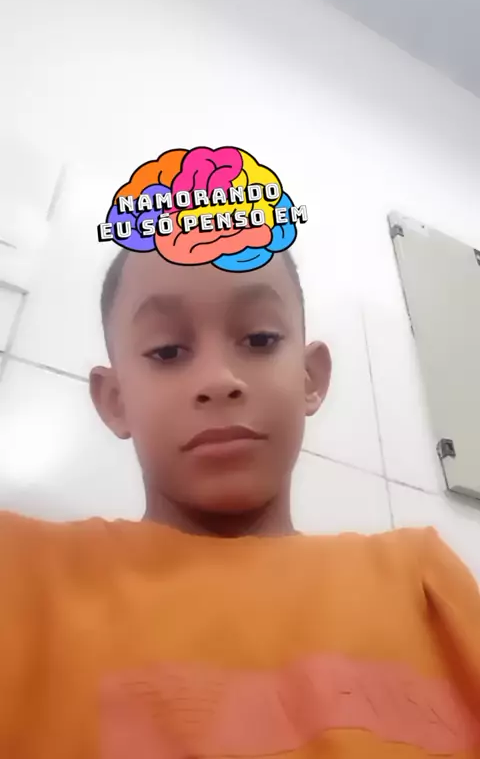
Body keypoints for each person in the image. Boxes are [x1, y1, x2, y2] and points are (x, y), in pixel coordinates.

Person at [0, 247, 479, 759]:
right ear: (115, 400)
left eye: (260, 339)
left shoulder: (420, 584)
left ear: (310, 377)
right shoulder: (20, 570)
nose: (218, 380)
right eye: (167, 351)